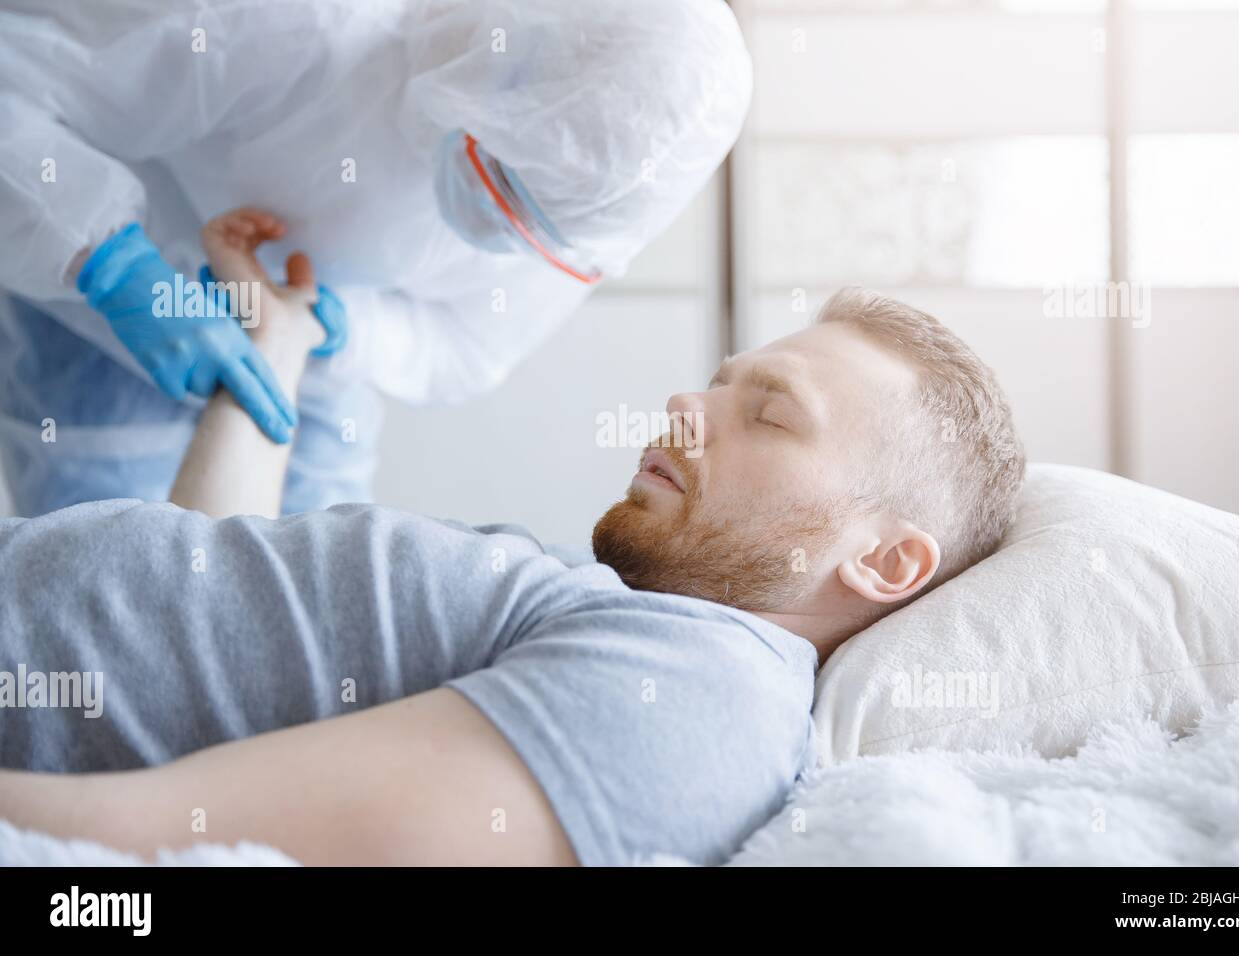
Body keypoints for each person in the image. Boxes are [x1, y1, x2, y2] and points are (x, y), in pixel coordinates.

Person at [0, 213, 1025, 864]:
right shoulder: (615, 611)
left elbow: (158, 843)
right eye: (717, 379)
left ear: (886, 559)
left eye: (768, 412)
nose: (686, 400)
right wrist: (276, 346)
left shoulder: (701, 695)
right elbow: (205, 588)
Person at [0, 0, 752, 516]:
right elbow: (16, 88)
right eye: (500, 180)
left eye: (528, 225)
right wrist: (114, 266)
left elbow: (466, 346)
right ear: (505, 49)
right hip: (90, 333)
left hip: (325, 383)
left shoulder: (594, 202)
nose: (494, 226)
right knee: (111, 610)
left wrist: (340, 328)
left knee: (303, 630)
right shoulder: (297, 28)